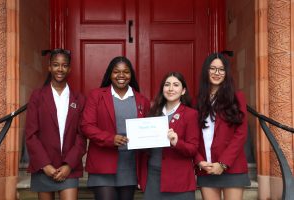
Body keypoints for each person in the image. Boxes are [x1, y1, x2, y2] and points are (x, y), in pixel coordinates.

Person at [81, 56, 150, 200]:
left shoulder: (142, 100)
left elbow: (147, 130)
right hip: (102, 163)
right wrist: (110, 139)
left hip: (129, 165)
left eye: (126, 72)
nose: (121, 75)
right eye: (116, 71)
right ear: (110, 74)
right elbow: (86, 126)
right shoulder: (96, 96)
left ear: (131, 75)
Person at [25, 48, 86, 200]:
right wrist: (45, 165)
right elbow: (31, 134)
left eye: (64, 65)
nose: (60, 69)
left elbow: (81, 136)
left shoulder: (79, 99)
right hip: (44, 166)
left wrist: (69, 165)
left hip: (69, 167)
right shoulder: (37, 96)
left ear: (69, 68)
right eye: (56, 65)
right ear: (49, 67)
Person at [195, 52, 250, 200]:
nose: (216, 73)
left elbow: (241, 133)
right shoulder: (199, 100)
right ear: (206, 71)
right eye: (212, 68)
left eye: (221, 69)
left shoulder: (237, 97)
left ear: (226, 73)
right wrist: (200, 161)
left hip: (232, 166)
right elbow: (193, 136)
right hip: (207, 167)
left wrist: (223, 163)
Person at [138, 72, 200, 200]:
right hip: (153, 177)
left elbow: (193, 148)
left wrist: (177, 142)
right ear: (163, 89)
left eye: (176, 85)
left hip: (179, 180)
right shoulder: (153, 113)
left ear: (183, 91)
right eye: (167, 85)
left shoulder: (190, 114)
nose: (171, 89)